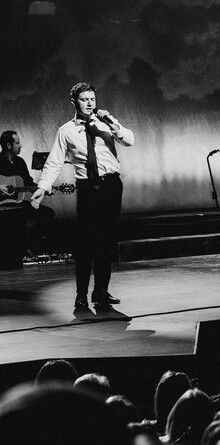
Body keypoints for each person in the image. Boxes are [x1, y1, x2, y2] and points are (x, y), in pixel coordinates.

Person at [30, 82, 134, 313]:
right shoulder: (66, 130)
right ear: (74, 102)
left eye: (92, 99)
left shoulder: (106, 124)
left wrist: (112, 123)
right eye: (84, 99)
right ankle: (81, 295)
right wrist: (42, 186)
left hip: (112, 186)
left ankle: (101, 291)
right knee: (86, 243)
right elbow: (54, 162)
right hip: (88, 189)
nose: (89, 103)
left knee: (107, 241)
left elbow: (129, 140)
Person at [0, 130, 55, 253]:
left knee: (48, 213)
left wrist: (43, 189)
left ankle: (27, 242)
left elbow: (28, 184)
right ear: (9, 145)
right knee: (15, 219)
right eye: (17, 143)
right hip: (2, 206)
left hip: (17, 203)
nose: (20, 145)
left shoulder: (20, 162)